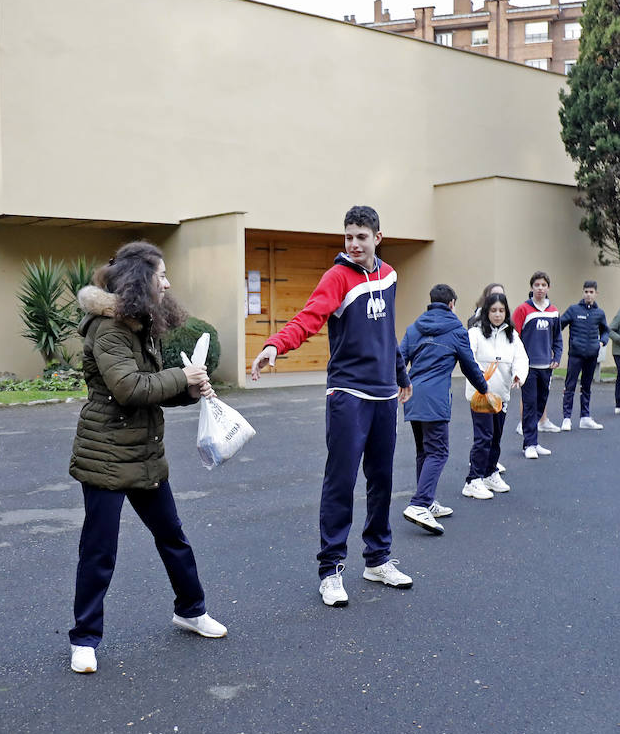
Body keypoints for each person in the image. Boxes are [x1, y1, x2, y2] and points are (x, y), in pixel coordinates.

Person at [67, 242, 225, 675]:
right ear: (140, 280)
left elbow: (148, 393)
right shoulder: (110, 329)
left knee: (172, 536)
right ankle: (84, 639)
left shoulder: (138, 325)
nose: (168, 283)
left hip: (143, 453)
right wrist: (182, 375)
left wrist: (186, 392)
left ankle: (191, 610)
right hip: (105, 456)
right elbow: (128, 388)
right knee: (99, 551)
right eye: (161, 275)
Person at [250, 205, 414, 607]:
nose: (353, 244)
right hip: (348, 395)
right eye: (348, 237)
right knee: (341, 482)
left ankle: (377, 560)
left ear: (378, 237)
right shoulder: (336, 277)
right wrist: (276, 345)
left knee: (382, 481)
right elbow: (309, 318)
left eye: (361, 237)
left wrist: (400, 376)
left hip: (383, 396)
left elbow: (387, 331)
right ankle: (331, 570)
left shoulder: (389, 275)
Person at [397, 283, 488, 534]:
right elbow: (469, 365)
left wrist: (401, 383)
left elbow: (399, 359)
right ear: (451, 304)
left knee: (423, 452)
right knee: (438, 452)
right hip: (435, 400)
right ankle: (419, 504)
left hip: (413, 396)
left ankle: (428, 500)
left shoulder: (414, 327)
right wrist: (485, 388)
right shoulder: (457, 330)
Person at [462, 291, 528, 499]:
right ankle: (473, 480)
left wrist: (518, 375)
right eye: (493, 310)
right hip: (480, 396)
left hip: (501, 396)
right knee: (484, 437)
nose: (498, 315)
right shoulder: (475, 333)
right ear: (486, 312)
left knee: (496, 437)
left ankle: (490, 472)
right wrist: (479, 377)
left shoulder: (512, 335)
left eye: (501, 310)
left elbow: (521, 357)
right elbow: (467, 357)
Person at [511, 271, 562, 459]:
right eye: (537, 285)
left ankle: (534, 441)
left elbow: (557, 337)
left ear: (548, 288)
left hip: (546, 367)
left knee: (541, 403)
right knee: (530, 404)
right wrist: (516, 363)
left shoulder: (554, 311)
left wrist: (557, 356)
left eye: (543, 285)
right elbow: (513, 337)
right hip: (528, 367)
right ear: (531, 287)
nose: (540, 288)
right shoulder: (523, 310)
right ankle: (529, 444)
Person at [558, 280, 609, 430]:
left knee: (586, 386)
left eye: (591, 292)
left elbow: (606, 330)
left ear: (596, 294)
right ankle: (566, 418)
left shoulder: (599, 313)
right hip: (575, 354)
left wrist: (602, 342)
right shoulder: (574, 310)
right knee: (570, 386)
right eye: (586, 291)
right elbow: (559, 326)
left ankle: (585, 417)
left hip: (592, 355)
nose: (588, 294)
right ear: (583, 292)